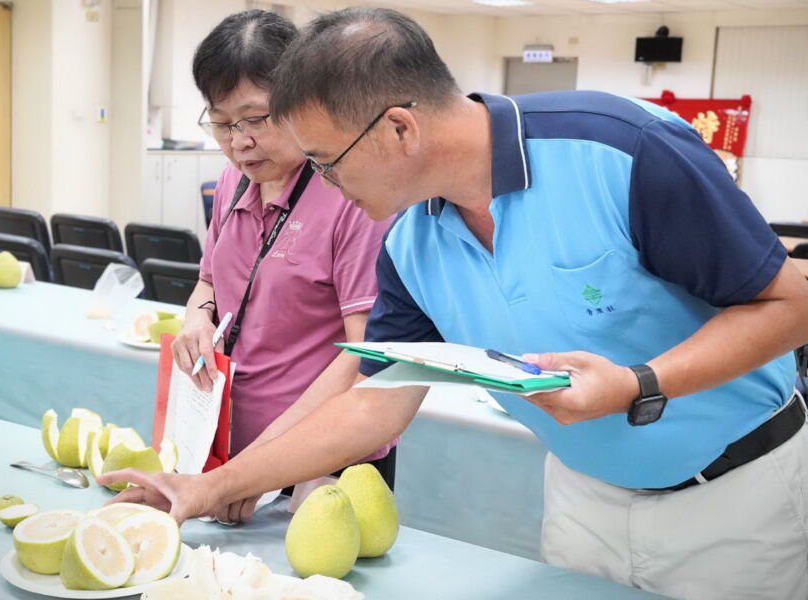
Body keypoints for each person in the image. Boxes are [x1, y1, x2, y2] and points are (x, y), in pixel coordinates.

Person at [100, 8, 808, 599]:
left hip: (736, 497)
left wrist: (638, 385)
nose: (320, 183)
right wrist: (203, 488)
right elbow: (374, 398)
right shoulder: (411, 235)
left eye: (325, 162)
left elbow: (791, 304)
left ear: (400, 130)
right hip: (582, 496)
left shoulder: (622, 151)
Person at [169, 9, 395, 518]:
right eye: (223, 123)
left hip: (321, 457)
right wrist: (195, 318)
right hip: (234, 442)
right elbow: (210, 280)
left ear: (302, 102)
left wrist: (266, 462)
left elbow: (367, 353)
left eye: (255, 118)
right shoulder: (233, 181)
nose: (239, 142)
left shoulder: (351, 196)